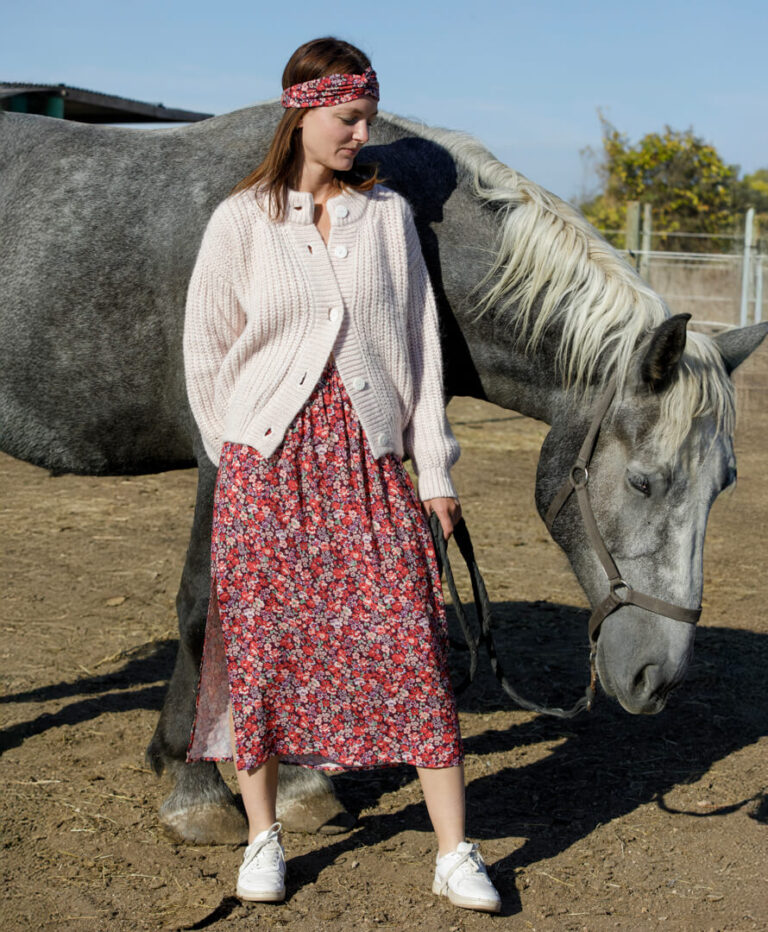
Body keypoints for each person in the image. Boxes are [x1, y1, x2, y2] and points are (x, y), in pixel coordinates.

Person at [182, 36, 501, 915]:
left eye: (366, 116)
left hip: (369, 464)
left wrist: (433, 470)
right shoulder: (241, 219)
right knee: (266, 657)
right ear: (301, 109)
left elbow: (421, 357)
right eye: (347, 117)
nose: (362, 133)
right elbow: (204, 352)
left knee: (412, 646)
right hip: (267, 470)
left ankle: (454, 850)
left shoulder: (388, 218)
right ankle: (262, 837)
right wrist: (238, 455)